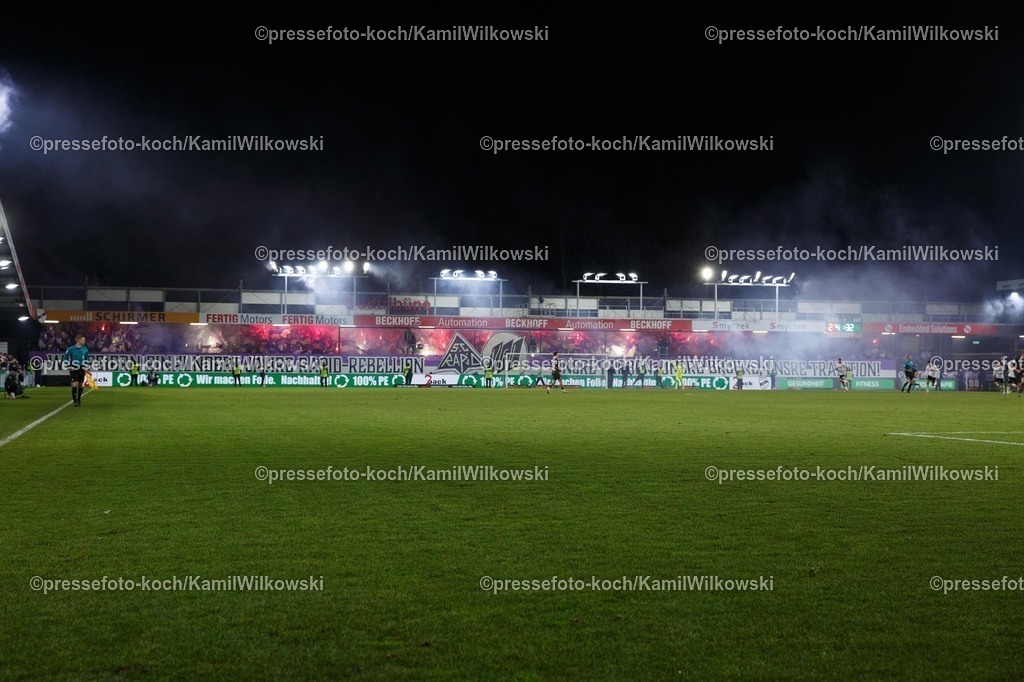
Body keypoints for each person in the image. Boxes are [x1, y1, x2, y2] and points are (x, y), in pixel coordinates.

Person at [61, 334, 90, 406]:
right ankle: (75, 401)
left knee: (80, 385)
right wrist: (68, 366)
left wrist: (86, 365)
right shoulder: (71, 349)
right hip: (73, 368)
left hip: (81, 368)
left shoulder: (85, 349)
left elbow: (87, 359)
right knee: (75, 384)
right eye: (83, 340)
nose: (84, 341)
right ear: (79, 340)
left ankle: (79, 399)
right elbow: (65, 358)